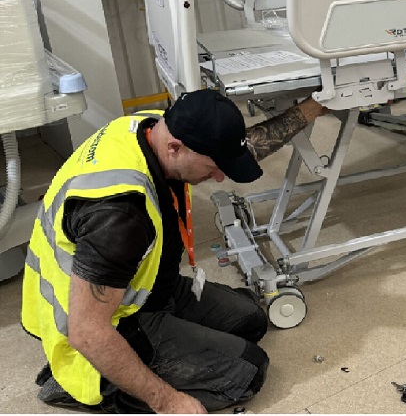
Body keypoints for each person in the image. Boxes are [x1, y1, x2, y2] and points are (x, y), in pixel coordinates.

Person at [21, 89, 327, 414]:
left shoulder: (153, 127)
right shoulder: (119, 217)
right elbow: (87, 331)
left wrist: (316, 105)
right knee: (246, 372)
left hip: (147, 288)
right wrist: (166, 401)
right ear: (175, 148)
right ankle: (84, 383)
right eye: (214, 166)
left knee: (251, 320)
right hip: (112, 319)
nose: (220, 177)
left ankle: (167, 339)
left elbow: (239, 148)